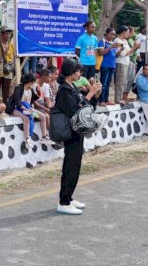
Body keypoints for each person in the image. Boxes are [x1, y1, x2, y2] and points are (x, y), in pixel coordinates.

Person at [54, 59, 100, 215]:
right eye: (78, 71)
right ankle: (63, 201)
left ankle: (69, 196)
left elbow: (84, 104)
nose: (80, 74)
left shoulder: (71, 87)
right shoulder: (64, 90)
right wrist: (90, 94)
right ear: (71, 72)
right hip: (70, 132)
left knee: (76, 165)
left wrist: (93, 94)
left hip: (77, 132)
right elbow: (76, 111)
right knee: (70, 166)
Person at [6, 73, 54, 147]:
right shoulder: (19, 88)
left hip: (28, 109)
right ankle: (27, 139)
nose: (34, 84)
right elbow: (17, 101)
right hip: (17, 109)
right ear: (30, 82)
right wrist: (24, 108)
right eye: (33, 82)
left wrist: (38, 92)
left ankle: (44, 137)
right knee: (26, 119)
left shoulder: (31, 90)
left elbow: (33, 100)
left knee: (43, 117)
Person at [0, 28, 15, 103]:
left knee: (6, 89)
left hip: (8, 71)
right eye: (6, 34)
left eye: (9, 34)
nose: (8, 35)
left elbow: (11, 57)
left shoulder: (11, 46)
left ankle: (5, 105)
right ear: (2, 35)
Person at [97, 27, 116, 105]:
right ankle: (101, 100)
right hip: (105, 65)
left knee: (108, 83)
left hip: (112, 65)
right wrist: (111, 47)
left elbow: (115, 55)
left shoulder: (112, 43)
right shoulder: (102, 42)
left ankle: (106, 99)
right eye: (111, 34)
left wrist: (120, 50)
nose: (112, 36)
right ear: (106, 34)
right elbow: (101, 52)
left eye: (114, 35)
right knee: (103, 83)